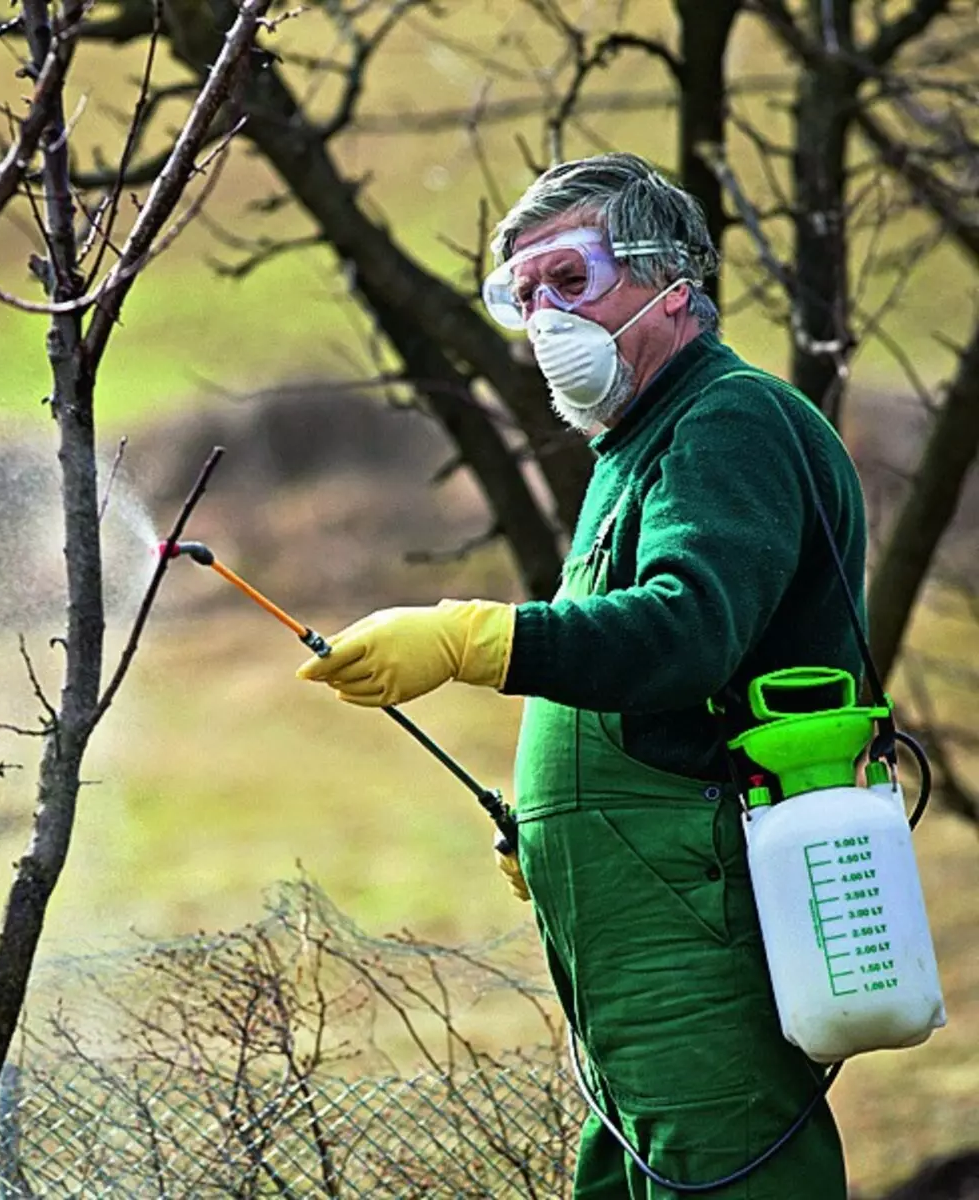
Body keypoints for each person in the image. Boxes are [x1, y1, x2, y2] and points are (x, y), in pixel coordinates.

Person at [297, 152, 866, 1198]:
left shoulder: (726, 421)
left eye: (571, 280)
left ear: (674, 283)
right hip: (631, 933)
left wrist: (474, 638)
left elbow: (686, 632)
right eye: (525, 296)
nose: (545, 316)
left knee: (736, 1175)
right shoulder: (635, 449)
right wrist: (556, 834)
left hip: (697, 919)